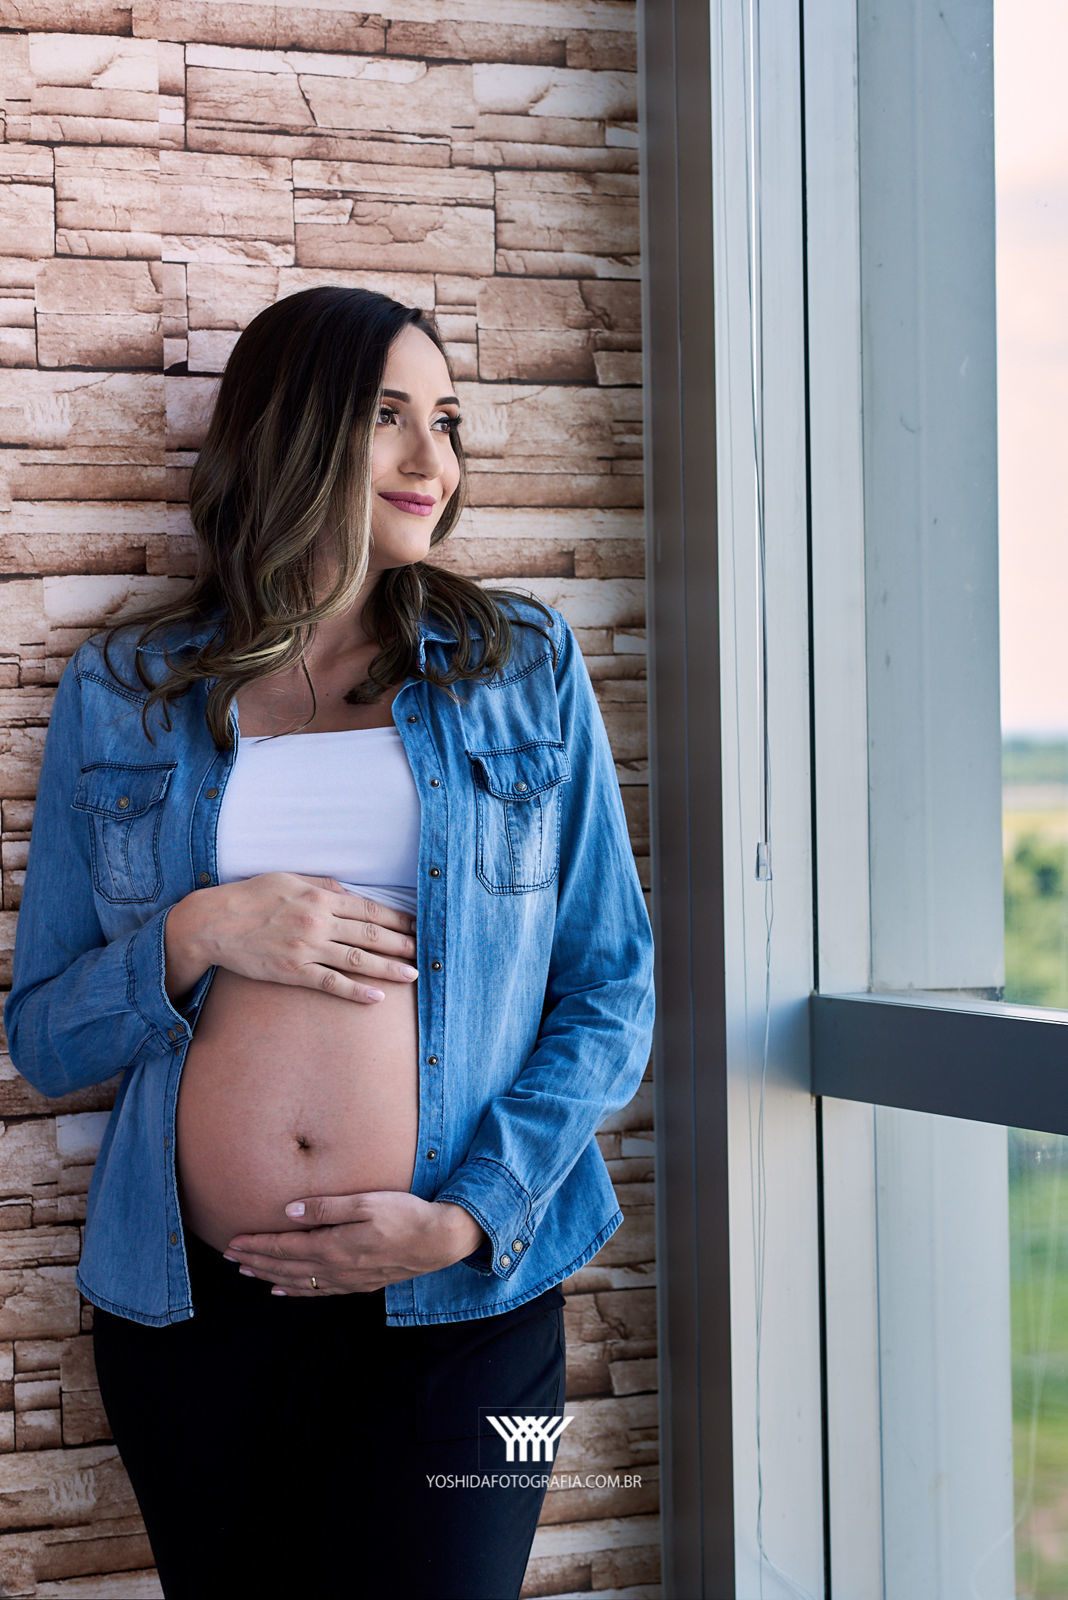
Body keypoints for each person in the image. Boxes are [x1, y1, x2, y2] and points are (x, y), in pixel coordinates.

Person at [4, 285, 655, 1600]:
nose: (439, 462)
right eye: (392, 418)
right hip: (197, 1315)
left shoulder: (519, 667)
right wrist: (198, 932)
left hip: (457, 1310)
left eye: (450, 421)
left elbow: (611, 991)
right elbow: (42, 1038)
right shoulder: (126, 692)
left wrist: (466, 1221)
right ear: (294, 433)